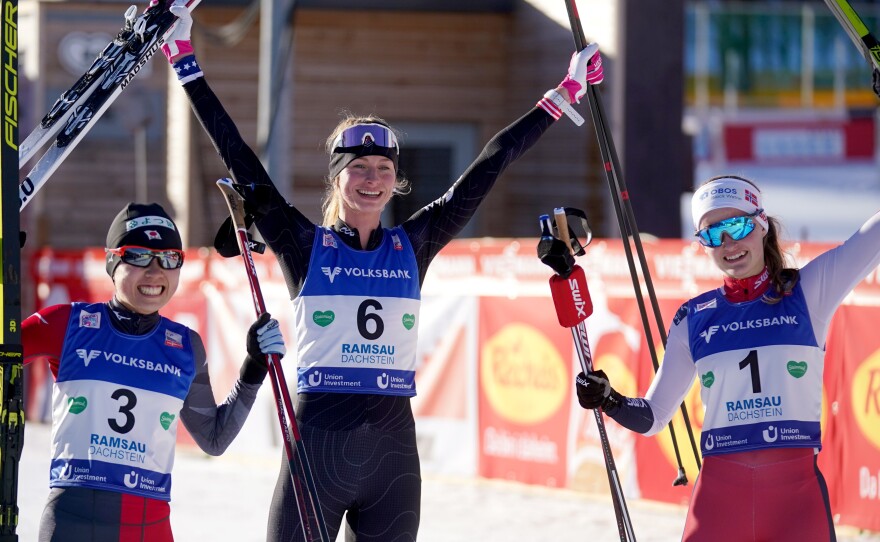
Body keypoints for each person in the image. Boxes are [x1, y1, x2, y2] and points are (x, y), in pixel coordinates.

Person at [159, 2, 603, 540]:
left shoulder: (414, 243)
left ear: (396, 180)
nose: (372, 179)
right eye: (359, 169)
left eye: (384, 169)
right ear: (337, 179)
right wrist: (185, 61)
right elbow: (241, 161)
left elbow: (492, 161)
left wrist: (563, 94)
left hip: (392, 453)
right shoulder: (305, 245)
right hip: (319, 447)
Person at [574, 174, 880, 541]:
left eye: (737, 225)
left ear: (762, 224)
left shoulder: (809, 292)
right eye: (712, 234)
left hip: (795, 501)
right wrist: (609, 399)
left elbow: (871, 238)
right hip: (720, 500)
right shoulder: (695, 318)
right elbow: (654, 417)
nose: (728, 243)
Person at [23, 202, 287, 542]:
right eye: (138, 256)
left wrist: (253, 367)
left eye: (169, 259)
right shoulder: (65, 324)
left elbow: (215, 439)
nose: (155, 271)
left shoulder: (185, 346)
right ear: (112, 262)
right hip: (73, 523)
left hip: (149, 529)